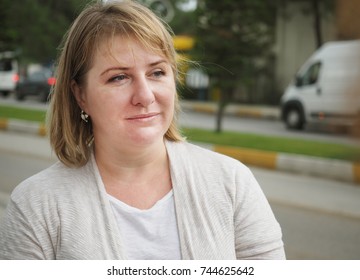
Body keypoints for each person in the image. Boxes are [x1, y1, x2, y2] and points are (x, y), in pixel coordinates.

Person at [0, 0, 285, 260]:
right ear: (80, 95)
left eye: (157, 72)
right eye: (119, 77)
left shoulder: (232, 183)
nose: (145, 95)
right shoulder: (35, 205)